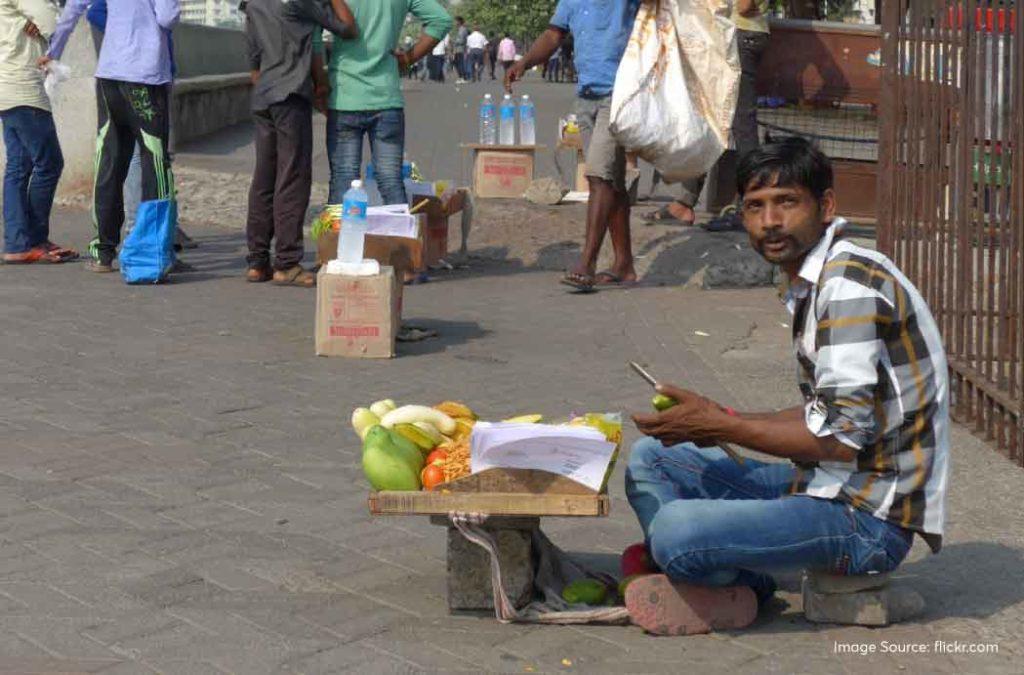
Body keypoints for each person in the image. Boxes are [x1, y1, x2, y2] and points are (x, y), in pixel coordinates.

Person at [623, 138, 949, 636]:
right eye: (755, 207)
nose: (770, 222)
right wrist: (720, 419)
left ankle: (742, 583)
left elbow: (840, 439)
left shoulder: (848, 287)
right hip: (824, 481)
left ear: (826, 205)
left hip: (868, 518)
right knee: (653, 459)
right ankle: (717, 568)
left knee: (676, 531)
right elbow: (827, 413)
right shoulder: (813, 279)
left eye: (787, 202)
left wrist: (715, 426)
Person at [507, 0, 641, 292]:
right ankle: (624, 264)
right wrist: (525, 62)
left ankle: (587, 263)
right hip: (586, 96)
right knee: (612, 183)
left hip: (620, 95)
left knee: (598, 175)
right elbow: (553, 35)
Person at [43, 0, 179, 273]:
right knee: (155, 165)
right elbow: (167, 17)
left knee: (110, 163)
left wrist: (53, 51)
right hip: (145, 77)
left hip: (109, 76)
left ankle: (103, 252)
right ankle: (153, 253)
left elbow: (74, 8)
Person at [243, 0, 356, 287]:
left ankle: (257, 261)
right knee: (292, 178)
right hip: (290, 94)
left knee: (264, 177)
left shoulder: (253, 4)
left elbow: (253, 58)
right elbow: (347, 29)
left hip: (264, 96)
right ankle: (287, 262)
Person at [644, 0, 770, 227]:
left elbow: (743, 6)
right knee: (713, 119)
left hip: (738, 35)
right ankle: (685, 202)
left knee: (738, 125)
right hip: (740, 34)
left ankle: (750, 205)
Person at [325, 0, 451, 207]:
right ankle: (399, 237)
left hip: (344, 97)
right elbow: (441, 20)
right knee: (390, 180)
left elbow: (313, 37)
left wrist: (320, 86)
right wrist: (409, 58)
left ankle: (340, 238)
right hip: (386, 97)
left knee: (343, 179)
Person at [0, 0, 78, 264]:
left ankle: (18, 244)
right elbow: (54, 24)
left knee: (18, 167)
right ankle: (33, 239)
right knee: (50, 162)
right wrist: (45, 21)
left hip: (7, 86)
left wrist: (40, 22)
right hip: (23, 89)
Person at [452, 15, 468, 83]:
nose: (454, 23)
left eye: (455, 21)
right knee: (457, 63)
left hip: (460, 49)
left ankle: (462, 78)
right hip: (458, 49)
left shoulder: (462, 30)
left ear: (459, 22)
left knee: (459, 63)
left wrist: (454, 41)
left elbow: (461, 40)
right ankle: (461, 77)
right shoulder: (460, 29)